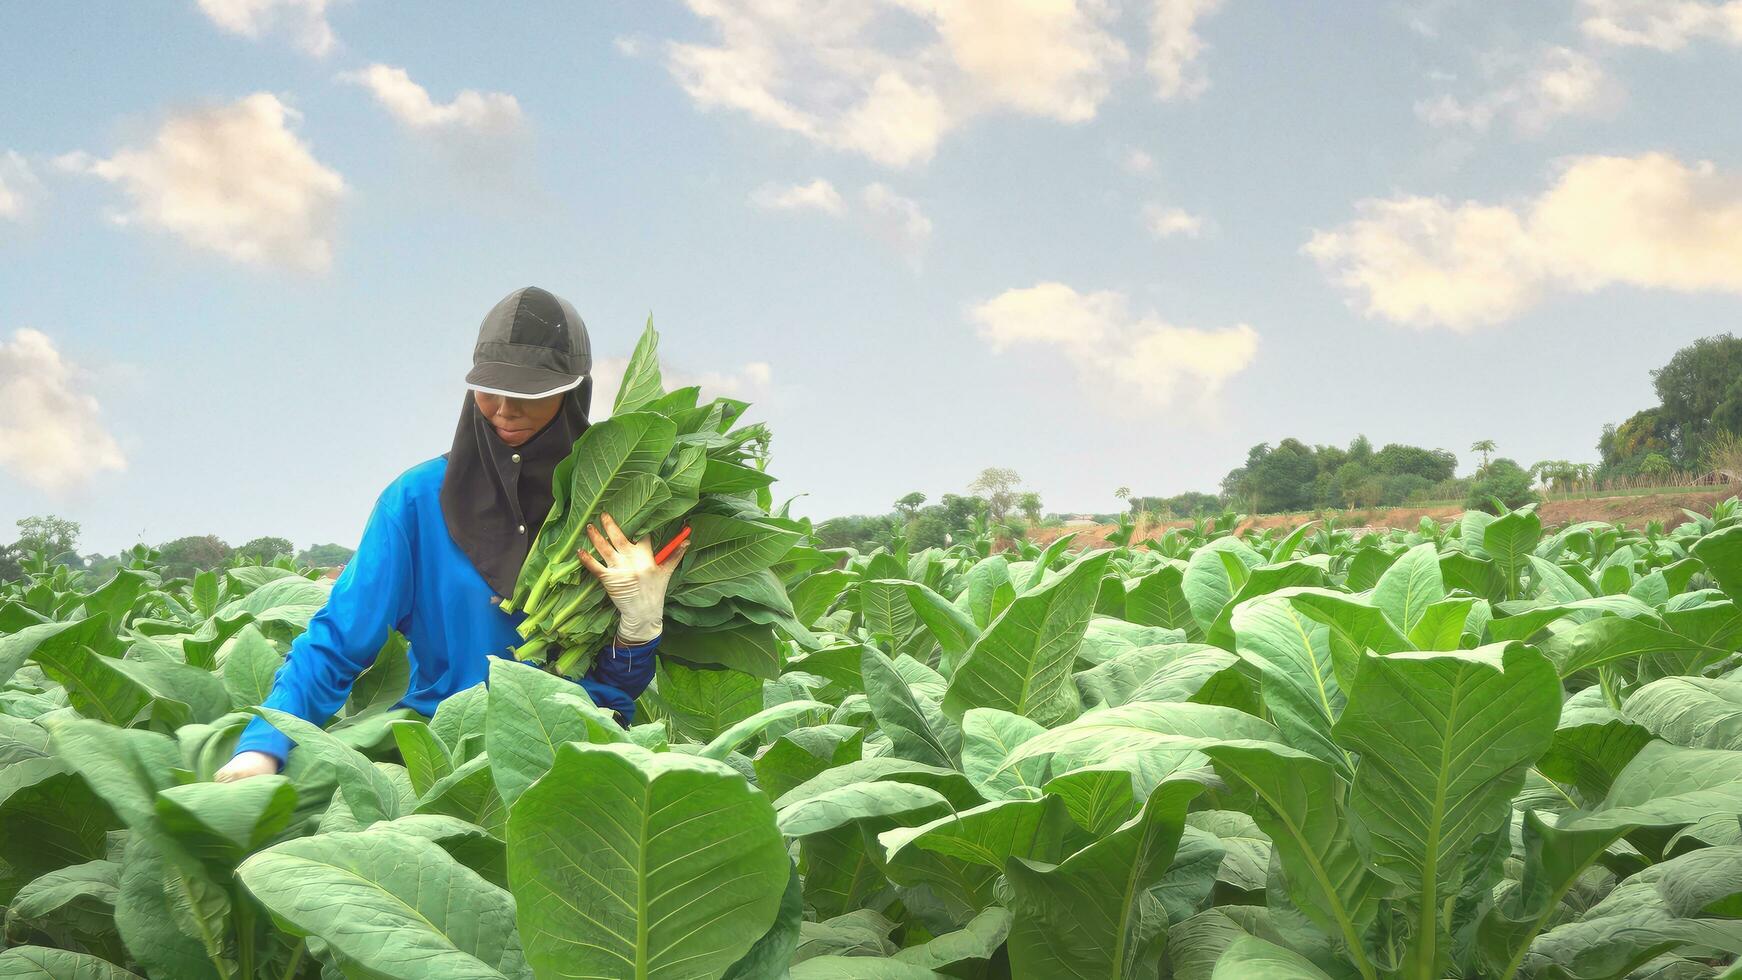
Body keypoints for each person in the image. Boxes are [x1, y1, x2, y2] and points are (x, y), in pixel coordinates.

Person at [215, 286, 687, 782]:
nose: (504, 409)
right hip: (446, 762)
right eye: (489, 388)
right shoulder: (416, 500)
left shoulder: (623, 509)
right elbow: (339, 637)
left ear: (573, 393)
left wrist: (640, 628)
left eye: (529, 393)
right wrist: (263, 745)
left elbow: (614, 696)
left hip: (574, 761)